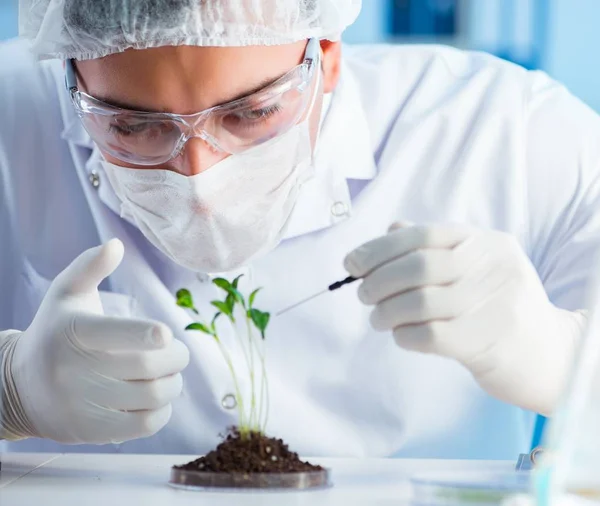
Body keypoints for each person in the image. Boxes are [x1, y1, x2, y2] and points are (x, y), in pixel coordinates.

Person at [0, 0, 599, 460]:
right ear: (70, 78)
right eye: (132, 128)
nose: (200, 183)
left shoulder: (511, 130)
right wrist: (13, 391)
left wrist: (562, 355)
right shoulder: (11, 115)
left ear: (327, 55)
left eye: (254, 112)